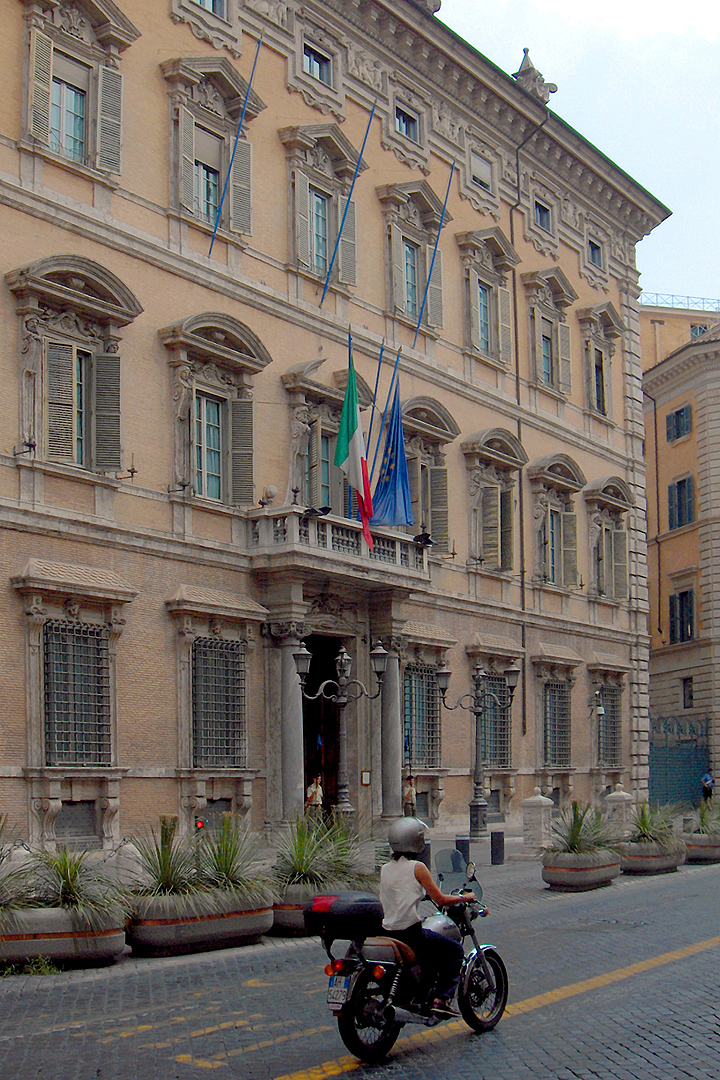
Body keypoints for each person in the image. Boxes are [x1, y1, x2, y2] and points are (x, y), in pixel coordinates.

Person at [379, 817, 475, 1019]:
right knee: (455, 951)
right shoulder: (417, 867)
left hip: (387, 931)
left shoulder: (385, 868)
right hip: (410, 933)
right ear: (416, 840)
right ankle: (441, 1000)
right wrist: (464, 897)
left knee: (430, 954)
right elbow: (439, 899)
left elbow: (399, 891)